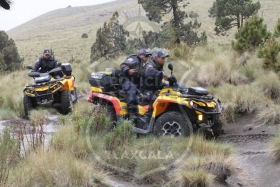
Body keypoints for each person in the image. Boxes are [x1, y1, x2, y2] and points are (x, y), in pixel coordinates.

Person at [120, 49, 152, 119]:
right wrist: (128, 71)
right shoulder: (134, 59)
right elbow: (123, 65)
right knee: (132, 88)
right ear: (140, 55)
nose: (147, 58)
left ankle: (144, 113)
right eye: (146, 55)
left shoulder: (145, 64)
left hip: (135, 82)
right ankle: (131, 113)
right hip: (125, 80)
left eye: (148, 56)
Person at [142, 50, 170, 121]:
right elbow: (148, 72)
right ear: (157, 58)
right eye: (163, 58)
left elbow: (159, 80)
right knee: (156, 98)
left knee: (168, 92)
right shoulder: (150, 65)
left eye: (165, 58)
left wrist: (170, 82)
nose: (164, 60)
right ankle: (147, 117)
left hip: (154, 88)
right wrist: (161, 74)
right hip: (145, 89)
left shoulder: (160, 66)